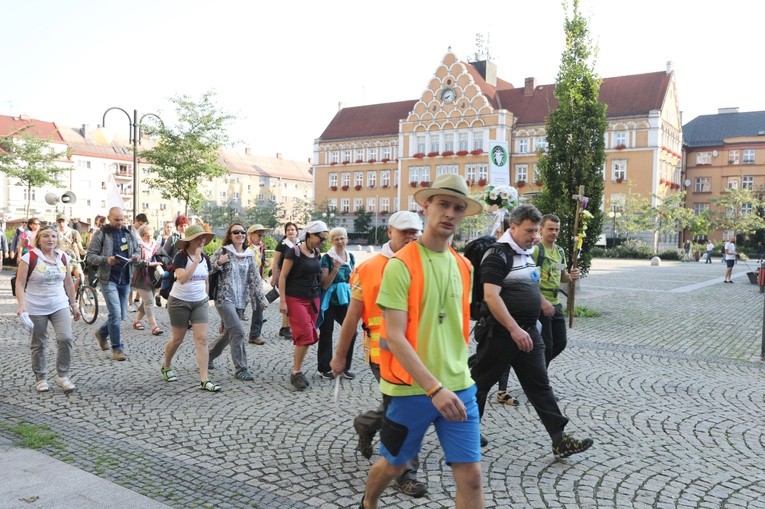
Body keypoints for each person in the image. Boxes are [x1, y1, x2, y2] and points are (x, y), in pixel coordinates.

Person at [357, 173, 484, 509]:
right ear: (427, 206)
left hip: (459, 385)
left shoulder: (464, 266)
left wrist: (451, 381)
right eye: (443, 204)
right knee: (394, 464)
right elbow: (394, 337)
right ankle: (368, 502)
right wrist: (433, 388)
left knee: (471, 476)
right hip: (413, 388)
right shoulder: (400, 265)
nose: (450, 213)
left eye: (458, 208)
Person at [470, 204, 593, 459]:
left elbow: (529, 285)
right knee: (479, 385)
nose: (535, 236)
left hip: (527, 334)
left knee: (540, 386)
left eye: (536, 231)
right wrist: (514, 330)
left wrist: (541, 302)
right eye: (530, 231)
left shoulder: (525, 253)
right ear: (512, 227)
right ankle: (467, 432)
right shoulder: (497, 255)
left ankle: (560, 439)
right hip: (501, 335)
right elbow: (491, 297)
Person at [330, 211, 428, 499]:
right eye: (404, 232)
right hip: (381, 353)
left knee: (403, 408)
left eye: (415, 232)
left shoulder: (425, 263)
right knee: (406, 411)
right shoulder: (370, 267)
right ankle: (406, 473)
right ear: (389, 233)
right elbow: (352, 317)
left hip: (419, 352)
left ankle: (367, 423)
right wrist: (339, 356)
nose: (411, 237)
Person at [15, 227, 81, 392]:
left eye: (53, 236)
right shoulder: (29, 257)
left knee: (66, 338)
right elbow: (20, 283)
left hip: (59, 304)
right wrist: (22, 304)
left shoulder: (63, 257)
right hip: (35, 306)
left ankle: (62, 375)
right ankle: (41, 377)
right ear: (39, 239)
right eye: (45, 236)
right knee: (38, 343)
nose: (50, 239)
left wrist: (74, 305)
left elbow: (68, 283)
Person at [160, 224, 221, 392]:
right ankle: (166, 365)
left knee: (202, 339)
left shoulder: (206, 259)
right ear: (190, 241)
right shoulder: (181, 257)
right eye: (198, 238)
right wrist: (194, 261)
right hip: (179, 301)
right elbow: (182, 279)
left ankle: (204, 379)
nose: (202, 240)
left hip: (199, 302)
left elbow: (206, 280)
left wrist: (206, 298)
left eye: (203, 238)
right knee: (177, 339)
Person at [208, 223, 268, 381]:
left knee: (229, 333)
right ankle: (241, 368)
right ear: (230, 235)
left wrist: (261, 299)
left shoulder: (249, 255)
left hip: (241, 300)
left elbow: (255, 280)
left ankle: (207, 356)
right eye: (236, 232)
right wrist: (218, 263)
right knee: (239, 332)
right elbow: (206, 269)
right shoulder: (223, 252)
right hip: (224, 298)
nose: (240, 234)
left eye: (242, 232)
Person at [279, 220, 328, 391]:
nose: (323, 241)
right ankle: (296, 371)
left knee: (305, 336)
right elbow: (283, 277)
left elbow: (319, 277)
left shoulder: (317, 253)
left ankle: (297, 370)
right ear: (310, 235)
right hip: (295, 298)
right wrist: (283, 301)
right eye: (321, 238)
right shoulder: (294, 252)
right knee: (306, 333)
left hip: (313, 299)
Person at [86, 207, 139, 361]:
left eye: (122, 219)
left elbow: (137, 250)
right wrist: (106, 260)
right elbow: (90, 256)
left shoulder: (129, 233)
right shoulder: (101, 234)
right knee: (115, 313)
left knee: (121, 315)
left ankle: (102, 333)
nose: (120, 222)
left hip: (125, 278)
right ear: (109, 218)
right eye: (117, 219)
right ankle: (117, 348)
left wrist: (136, 256)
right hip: (108, 279)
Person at [535, 214, 580, 368]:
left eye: (557, 229)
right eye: (550, 229)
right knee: (546, 345)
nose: (554, 232)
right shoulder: (536, 250)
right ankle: (540, 380)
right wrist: (540, 300)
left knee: (560, 343)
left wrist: (572, 276)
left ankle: (536, 370)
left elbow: (564, 277)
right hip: (541, 303)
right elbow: (528, 280)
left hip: (556, 303)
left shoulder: (560, 252)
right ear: (541, 229)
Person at [316, 227, 357, 380]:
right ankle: (324, 368)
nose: (340, 241)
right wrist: (335, 268)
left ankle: (345, 366)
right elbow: (324, 284)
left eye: (342, 238)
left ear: (347, 239)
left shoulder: (350, 256)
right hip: (329, 298)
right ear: (331, 241)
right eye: (336, 238)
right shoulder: (327, 258)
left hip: (344, 298)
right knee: (327, 331)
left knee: (352, 331)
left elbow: (352, 278)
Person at [131, 225, 164, 336]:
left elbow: (164, 256)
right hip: (141, 277)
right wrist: (148, 263)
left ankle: (136, 321)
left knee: (146, 301)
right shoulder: (139, 247)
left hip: (154, 277)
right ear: (141, 236)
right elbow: (136, 261)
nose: (149, 237)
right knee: (149, 302)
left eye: (151, 235)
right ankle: (154, 327)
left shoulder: (156, 245)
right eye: (146, 236)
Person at [270, 221, 299, 340]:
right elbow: (276, 262)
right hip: (285, 276)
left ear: (297, 231)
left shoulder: (300, 243)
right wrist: (274, 277)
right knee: (287, 301)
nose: (291, 232)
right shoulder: (282, 245)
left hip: (297, 277)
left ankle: (286, 327)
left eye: (292, 229)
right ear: (285, 232)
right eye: (288, 230)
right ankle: (285, 327)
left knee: (292, 302)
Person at [245, 224, 271, 345]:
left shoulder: (261, 247)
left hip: (257, 282)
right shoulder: (245, 248)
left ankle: (254, 335)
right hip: (244, 283)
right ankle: (226, 327)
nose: (260, 236)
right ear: (250, 235)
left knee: (259, 307)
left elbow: (261, 261)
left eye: (261, 234)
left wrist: (265, 263)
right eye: (258, 233)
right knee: (238, 308)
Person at [55, 213, 86, 294]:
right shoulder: (54, 233)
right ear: (56, 222)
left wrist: (86, 253)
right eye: (59, 222)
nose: (61, 224)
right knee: (65, 276)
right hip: (59, 259)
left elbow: (80, 248)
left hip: (73, 258)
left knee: (81, 277)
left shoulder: (74, 232)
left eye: (63, 221)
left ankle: (74, 294)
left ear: (67, 222)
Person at [128, 214, 149, 311]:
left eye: (143, 224)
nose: (141, 226)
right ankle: (130, 302)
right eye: (140, 224)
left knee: (141, 279)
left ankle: (137, 300)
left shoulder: (144, 230)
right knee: (130, 280)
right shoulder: (129, 229)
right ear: (136, 221)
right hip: (132, 257)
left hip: (142, 256)